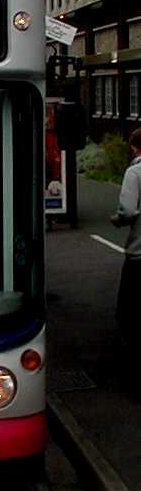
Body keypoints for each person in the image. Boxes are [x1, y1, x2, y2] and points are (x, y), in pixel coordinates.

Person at [110, 127, 141, 348]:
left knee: (128, 310)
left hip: (139, 252)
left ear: (133, 147)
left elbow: (128, 211)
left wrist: (117, 219)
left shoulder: (135, 173)